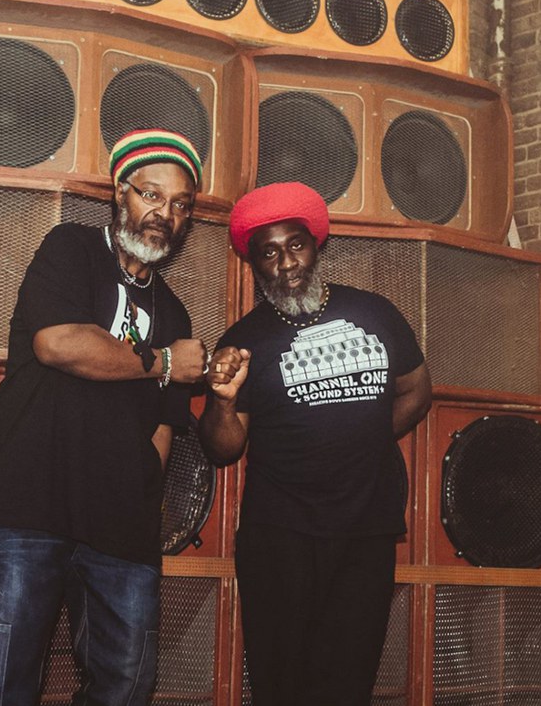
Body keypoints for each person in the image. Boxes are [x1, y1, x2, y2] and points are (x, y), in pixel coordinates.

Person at [0, 129, 209, 706]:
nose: (165, 215)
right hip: (30, 507)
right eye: (152, 195)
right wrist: (166, 361)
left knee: (126, 689)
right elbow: (58, 343)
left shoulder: (174, 312)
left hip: (121, 533)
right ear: (120, 193)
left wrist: (138, 494)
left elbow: (165, 426)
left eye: (180, 205)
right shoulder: (70, 248)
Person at [198, 181, 432, 706]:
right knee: (282, 684)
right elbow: (223, 449)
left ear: (315, 245)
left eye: (296, 245)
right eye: (269, 252)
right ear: (254, 264)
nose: (286, 263)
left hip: (366, 529)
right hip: (280, 536)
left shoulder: (375, 312)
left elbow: (417, 390)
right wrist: (222, 401)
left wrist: (363, 439)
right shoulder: (244, 341)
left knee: (349, 683)